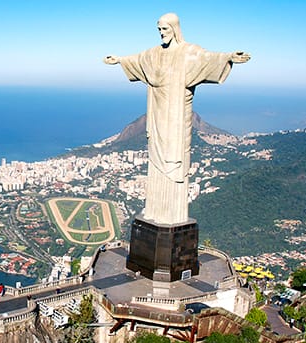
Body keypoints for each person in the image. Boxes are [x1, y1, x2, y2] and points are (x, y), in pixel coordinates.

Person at [104, 13, 250, 225]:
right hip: (157, 116)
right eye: (159, 30)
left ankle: (173, 214)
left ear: (175, 28)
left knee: (175, 159)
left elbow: (208, 59)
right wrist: (119, 60)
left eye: (165, 29)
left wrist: (228, 57)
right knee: (156, 160)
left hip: (177, 116)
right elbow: (137, 60)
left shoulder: (188, 52)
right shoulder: (154, 54)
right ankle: (155, 211)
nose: (162, 33)